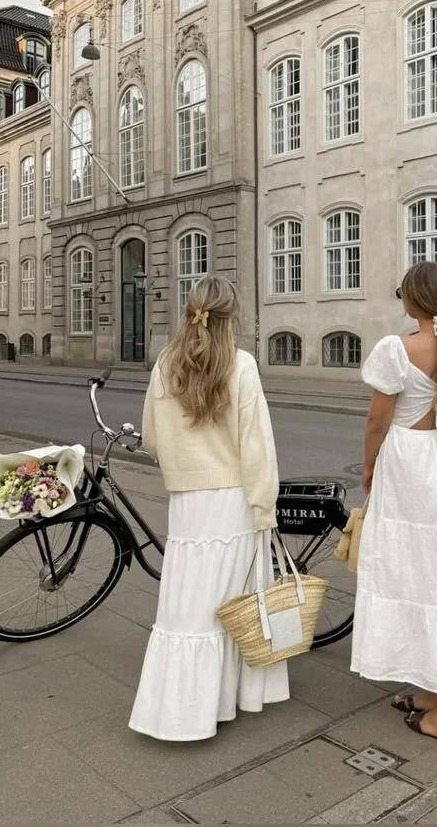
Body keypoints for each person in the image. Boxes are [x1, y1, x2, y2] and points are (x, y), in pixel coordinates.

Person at [129, 274, 289, 741]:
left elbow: (152, 437)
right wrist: (265, 505)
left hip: (188, 503)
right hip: (233, 500)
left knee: (186, 604)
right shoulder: (240, 365)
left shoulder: (165, 364)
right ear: (230, 317)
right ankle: (227, 699)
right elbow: (257, 446)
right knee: (233, 601)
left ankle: (179, 708)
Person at [351, 261, 437, 744]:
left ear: (411, 299)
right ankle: (434, 689)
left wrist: (368, 466)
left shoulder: (398, 348)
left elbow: (376, 421)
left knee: (413, 575)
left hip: (409, 471)